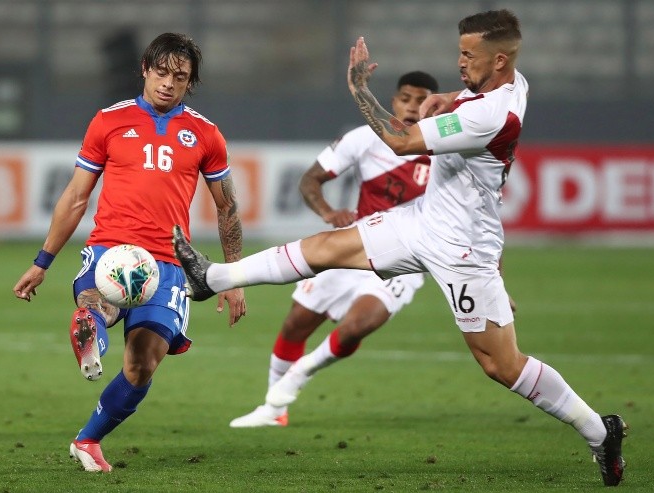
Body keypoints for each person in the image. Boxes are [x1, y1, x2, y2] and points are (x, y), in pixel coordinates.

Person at [173, 10, 627, 487]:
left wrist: (359, 89)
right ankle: (212, 278)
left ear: (498, 59)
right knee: (327, 248)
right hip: (422, 220)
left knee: (500, 363)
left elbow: (402, 141)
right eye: (459, 52)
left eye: (468, 55)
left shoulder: (488, 116)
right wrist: (448, 96)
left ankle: (600, 431)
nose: (459, 61)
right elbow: (470, 98)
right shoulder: (511, 84)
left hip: (462, 248)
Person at [13, 33, 246, 472]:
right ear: (144, 68)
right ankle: (91, 330)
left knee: (142, 365)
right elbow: (76, 198)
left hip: (168, 263)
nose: (168, 83)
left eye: (180, 77)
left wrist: (234, 278)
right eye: (161, 72)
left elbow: (227, 207)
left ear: (190, 82)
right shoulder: (109, 121)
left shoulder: (206, 134)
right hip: (111, 249)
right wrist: (42, 261)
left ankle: (87, 439)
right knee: (98, 305)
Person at [230, 71, 439, 428]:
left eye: (421, 101)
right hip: (355, 247)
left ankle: (299, 375)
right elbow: (310, 179)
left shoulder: (445, 151)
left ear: (433, 107)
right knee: (296, 324)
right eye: (405, 98)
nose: (411, 107)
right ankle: (275, 410)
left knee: (359, 325)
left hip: (404, 260)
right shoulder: (365, 139)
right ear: (393, 101)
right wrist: (328, 212)